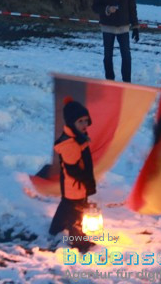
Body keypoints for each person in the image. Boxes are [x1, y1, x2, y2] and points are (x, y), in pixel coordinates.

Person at [49, 98, 96, 252]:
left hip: (73, 185)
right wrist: (86, 181)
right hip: (75, 185)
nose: (84, 125)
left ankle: (56, 228)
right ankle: (78, 241)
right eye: (80, 121)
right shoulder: (70, 144)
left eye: (86, 120)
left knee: (66, 205)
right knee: (76, 213)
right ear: (71, 123)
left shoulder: (76, 138)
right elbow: (72, 170)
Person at [92, 0, 139, 82]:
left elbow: (132, 9)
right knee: (108, 57)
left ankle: (127, 81)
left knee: (126, 56)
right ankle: (110, 80)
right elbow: (95, 7)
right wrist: (107, 9)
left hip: (123, 28)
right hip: (107, 28)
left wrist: (135, 27)